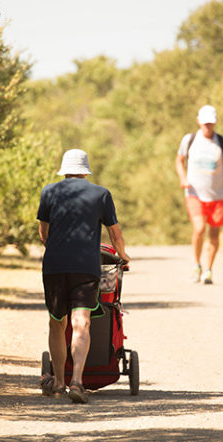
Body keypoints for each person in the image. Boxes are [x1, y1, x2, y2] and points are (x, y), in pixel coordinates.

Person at [37, 149, 130, 404]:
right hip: (85, 267)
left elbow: (43, 233)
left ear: (64, 170)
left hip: (55, 267)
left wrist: (56, 249)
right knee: (82, 322)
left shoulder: (49, 192)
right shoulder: (101, 194)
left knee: (57, 322)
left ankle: (58, 383)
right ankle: (77, 381)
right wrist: (123, 256)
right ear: (85, 171)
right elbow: (115, 234)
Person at [174, 104, 223, 284]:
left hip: (217, 195)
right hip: (194, 193)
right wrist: (183, 178)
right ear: (198, 121)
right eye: (205, 123)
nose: (208, 126)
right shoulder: (190, 140)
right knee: (199, 228)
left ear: (215, 122)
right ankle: (197, 265)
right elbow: (179, 160)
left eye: (210, 123)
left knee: (214, 235)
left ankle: (209, 270)